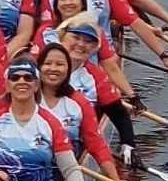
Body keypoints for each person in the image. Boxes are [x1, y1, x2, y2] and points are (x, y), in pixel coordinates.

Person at [36, 43, 134, 181]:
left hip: (61, 170)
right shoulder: (24, 96)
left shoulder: (79, 102)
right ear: (38, 68)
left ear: (68, 70)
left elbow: (96, 143)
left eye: (60, 64)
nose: (53, 69)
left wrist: (115, 179)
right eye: (47, 63)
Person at [31, 0, 134, 99]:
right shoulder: (45, 32)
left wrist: (132, 95)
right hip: (50, 89)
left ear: (82, 3)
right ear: (56, 5)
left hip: (87, 89)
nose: (68, 2)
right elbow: (34, 65)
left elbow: (112, 68)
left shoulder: (96, 32)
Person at [55, 14, 139, 158]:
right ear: (61, 37)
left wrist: (128, 143)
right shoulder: (41, 66)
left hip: (74, 143)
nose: (81, 44)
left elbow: (117, 112)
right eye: (76, 38)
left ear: (94, 48)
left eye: (88, 41)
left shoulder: (95, 75)